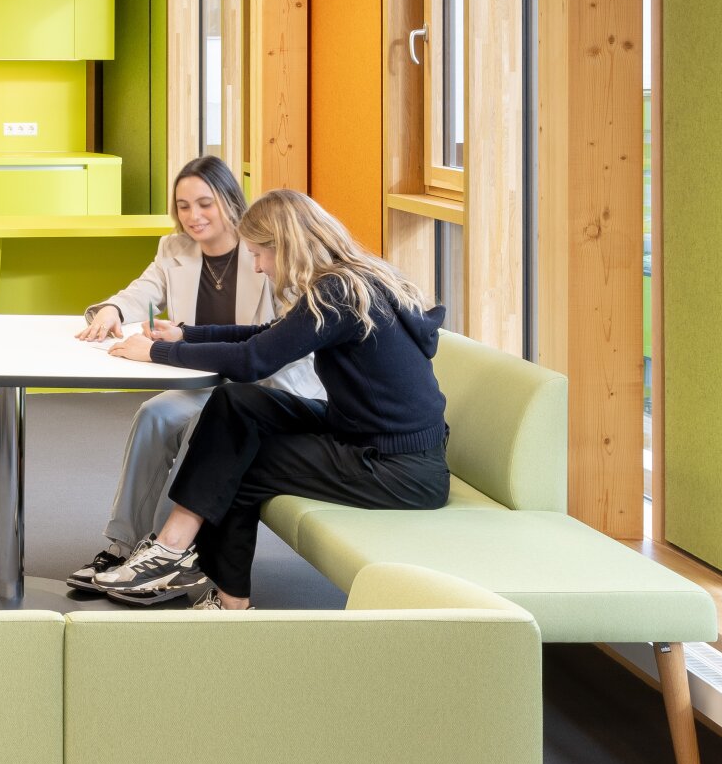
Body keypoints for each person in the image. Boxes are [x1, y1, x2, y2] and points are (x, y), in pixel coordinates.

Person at [85, 187, 449, 610]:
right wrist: (187, 334)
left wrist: (157, 352)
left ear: (286, 245)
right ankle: (174, 550)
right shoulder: (350, 279)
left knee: (245, 460)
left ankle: (219, 591)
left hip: (399, 468)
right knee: (237, 402)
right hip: (364, 433)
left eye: (260, 254)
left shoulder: (337, 295)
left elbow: (254, 360)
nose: (257, 266)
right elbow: (268, 337)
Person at [63, 156, 323, 603]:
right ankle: (123, 548)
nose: (193, 216)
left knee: (195, 431)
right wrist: (109, 310)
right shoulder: (174, 249)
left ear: (230, 201)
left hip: (259, 387)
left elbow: (278, 343)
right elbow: (142, 291)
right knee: (154, 414)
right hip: (206, 382)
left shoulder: (263, 250)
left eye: (205, 203)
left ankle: (166, 554)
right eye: (183, 206)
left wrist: (169, 347)